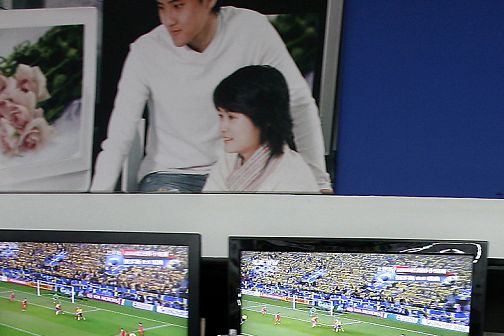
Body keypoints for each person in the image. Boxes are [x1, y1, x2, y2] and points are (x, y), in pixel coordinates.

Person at [92, 1, 331, 194]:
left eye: (178, 6)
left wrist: (320, 181)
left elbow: (299, 103)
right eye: (161, 7)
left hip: (238, 168)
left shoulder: (251, 29)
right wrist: (95, 201)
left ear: (208, 2)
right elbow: (119, 136)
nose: (168, 19)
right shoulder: (146, 50)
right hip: (171, 174)